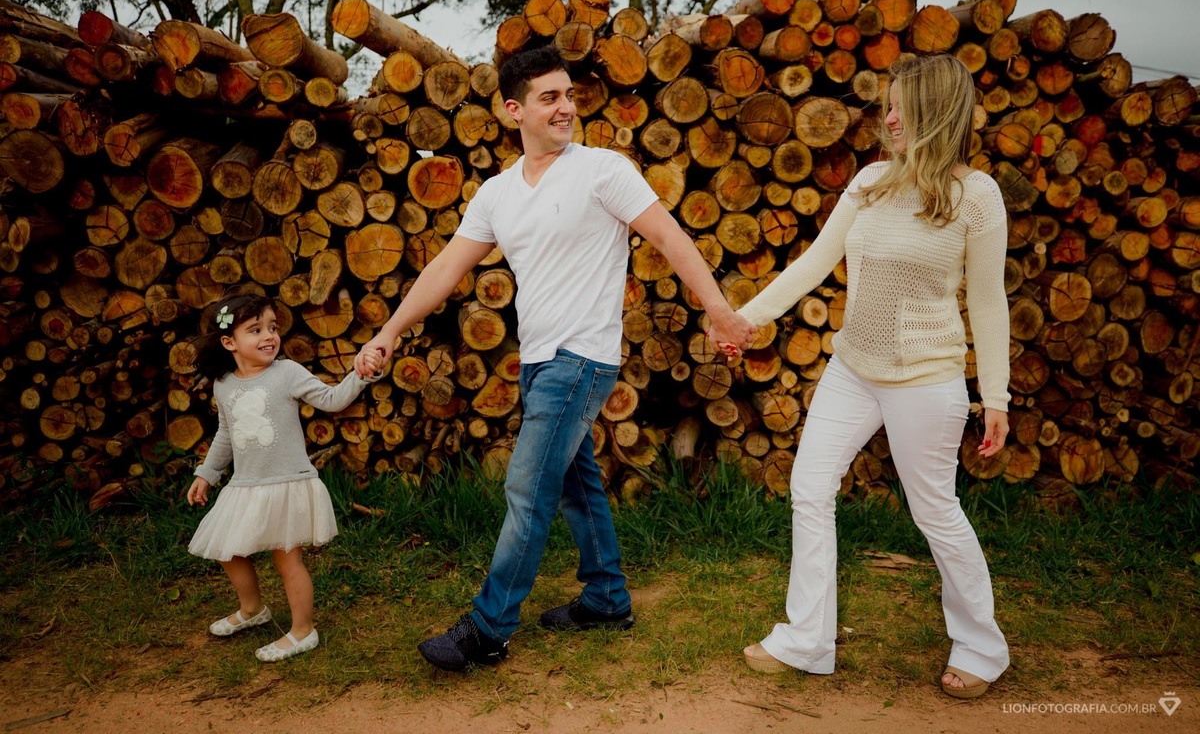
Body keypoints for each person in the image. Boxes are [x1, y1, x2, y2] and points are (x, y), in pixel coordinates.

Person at [354, 45, 756, 671]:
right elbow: (444, 270)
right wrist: (388, 333)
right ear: (514, 110)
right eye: (550, 98)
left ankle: (488, 628)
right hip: (539, 360)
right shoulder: (497, 193)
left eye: (569, 95)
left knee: (527, 487)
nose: (566, 107)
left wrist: (718, 309)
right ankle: (607, 599)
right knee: (574, 482)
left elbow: (669, 236)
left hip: (582, 356)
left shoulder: (603, 170)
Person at [723, 53, 1011, 699]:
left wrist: (995, 395)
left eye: (902, 107)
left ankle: (981, 648)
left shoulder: (977, 197)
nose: (889, 118)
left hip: (927, 379)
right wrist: (746, 320)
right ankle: (807, 639)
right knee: (809, 488)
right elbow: (815, 263)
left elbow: (989, 301)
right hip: (853, 368)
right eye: (888, 106)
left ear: (935, 112)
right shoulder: (872, 181)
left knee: (935, 511)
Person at [187, 291, 382, 662]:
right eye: (255, 329)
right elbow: (226, 433)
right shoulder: (224, 385)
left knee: (287, 560)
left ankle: (303, 631)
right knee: (228, 550)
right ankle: (252, 609)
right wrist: (207, 474)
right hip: (246, 486)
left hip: (288, 482)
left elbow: (331, 400)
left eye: (272, 327)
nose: (269, 336)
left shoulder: (287, 373)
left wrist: (361, 375)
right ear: (229, 342)